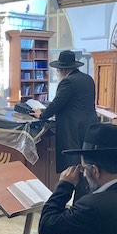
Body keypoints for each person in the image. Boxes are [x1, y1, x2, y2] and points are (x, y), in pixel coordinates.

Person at [30, 49, 97, 199]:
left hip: (72, 129)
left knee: (73, 165)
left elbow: (57, 104)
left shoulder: (68, 81)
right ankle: (83, 198)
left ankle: (74, 199)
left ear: (62, 69)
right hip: (88, 127)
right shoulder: (87, 79)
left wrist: (42, 114)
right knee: (85, 163)